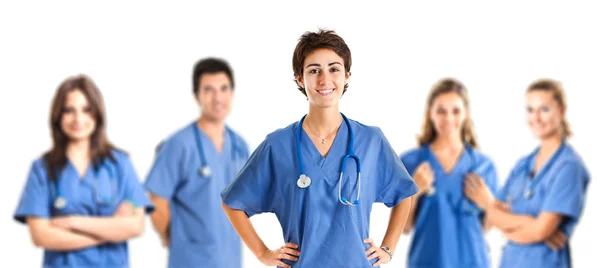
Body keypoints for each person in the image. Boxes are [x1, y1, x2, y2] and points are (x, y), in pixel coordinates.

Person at [221, 29, 418, 268]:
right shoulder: (277, 145)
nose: (325, 79)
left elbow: (404, 194)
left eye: (334, 69)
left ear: (347, 75)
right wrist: (263, 253)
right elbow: (233, 203)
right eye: (314, 70)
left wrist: (388, 248)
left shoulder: (371, 141)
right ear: (300, 79)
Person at [13, 75, 154, 267]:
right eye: (69, 111)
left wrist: (73, 222)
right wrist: (110, 231)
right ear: (58, 116)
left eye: (87, 110)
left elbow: (135, 226)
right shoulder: (42, 168)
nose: (78, 119)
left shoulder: (119, 164)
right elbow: (40, 236)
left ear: (97, 114)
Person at [464, 79, 590, 268]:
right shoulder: (523, 165)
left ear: (562, 110)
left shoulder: (569, 168)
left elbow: (539, 231)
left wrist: (491, 208)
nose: (536, 118)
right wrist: (529, 224)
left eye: (544, 109)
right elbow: (494, 218)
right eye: (530, 110)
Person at [145, 58, 250, 268]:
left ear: (232, 93)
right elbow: (156, 199)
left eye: (224, 89)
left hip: (231, 258)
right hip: (190, 259)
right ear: (197, 96)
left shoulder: (239, 145)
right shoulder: (179, 144)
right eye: (208, 90)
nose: (218, 97)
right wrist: (173, 238)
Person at [400, 78, 498, 268]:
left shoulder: (484, 166)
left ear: (466, 114)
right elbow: (405, 227)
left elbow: (487, 227)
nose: (448, 118)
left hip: (473, 261)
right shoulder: (411, 162)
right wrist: (415, 192)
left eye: (456, 111)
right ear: (430, 113)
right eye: (441, 111)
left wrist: (488, 203)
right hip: (426, 261)